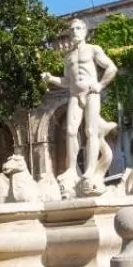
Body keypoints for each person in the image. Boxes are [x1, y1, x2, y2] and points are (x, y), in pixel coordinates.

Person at [42, 19, 118, 184]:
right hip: (75, 95)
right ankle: (71, 169)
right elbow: (67, 82)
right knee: (70, 131)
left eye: (78, 28)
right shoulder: (68, 57)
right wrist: (51, 78)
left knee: (90, 131)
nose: (74, 31)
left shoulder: (93, 50)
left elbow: (112, 68)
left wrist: (100, 84)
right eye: (71, 29)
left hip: (91, 93)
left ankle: (90, 168)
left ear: (84, 31)